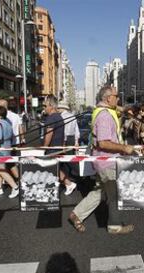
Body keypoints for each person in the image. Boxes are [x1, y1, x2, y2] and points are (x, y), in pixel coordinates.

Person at [69, 86, 135, 234]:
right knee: (114, 195)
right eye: (116, 96)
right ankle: (114, 227)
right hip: (108, 162)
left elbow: (117, 109)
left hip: (101, 161)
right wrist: (124, 148)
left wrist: (124, 110)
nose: (118, 98)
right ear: (108, 98)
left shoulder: (102, 110)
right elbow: (103, 143)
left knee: (100, 192)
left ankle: (77, 214)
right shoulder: (105, 116)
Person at [43, 95, 77, 196]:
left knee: (53, 168)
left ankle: (69, 184)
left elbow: (49, 134)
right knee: (55, 169)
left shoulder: (51, 118)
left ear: (51, 106)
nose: (44, 108)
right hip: (58, 147)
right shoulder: (59, 117)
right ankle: (59, 186)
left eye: (45, 106)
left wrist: (44, 147)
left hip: (52, 148)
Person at [0, 106, 19, 198]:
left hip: (0, 150)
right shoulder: (8, 123)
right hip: (7, 148)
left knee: (0, 170)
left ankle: (15, 187)